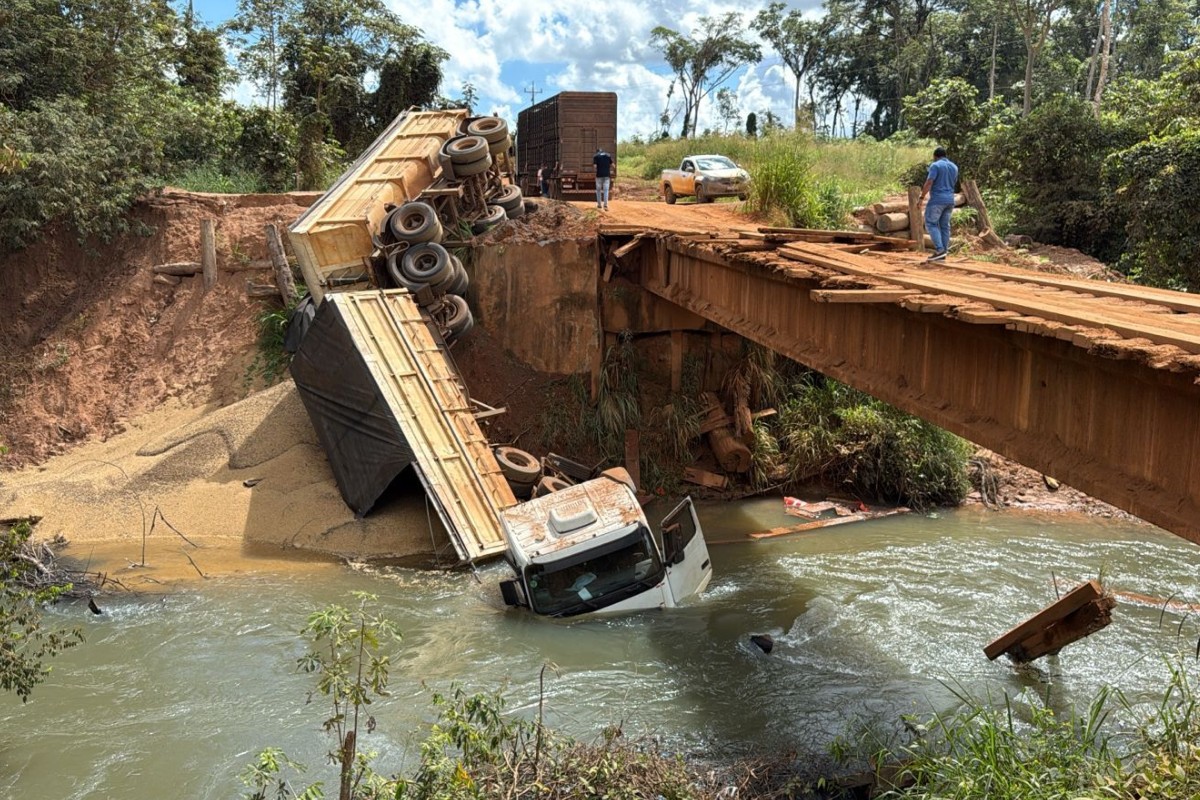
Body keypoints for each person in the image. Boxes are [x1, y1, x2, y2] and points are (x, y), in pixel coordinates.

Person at [918, 146, 959, 262]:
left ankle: (940, 250)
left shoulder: (935, 165)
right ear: (945, 155)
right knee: (945, 226)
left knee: (931, 223)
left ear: (935, 156)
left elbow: (929, 182)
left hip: (937, 200)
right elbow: (953, 183)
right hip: (950, 200)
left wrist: (921, 197)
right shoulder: (954, 167)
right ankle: (944, 252)